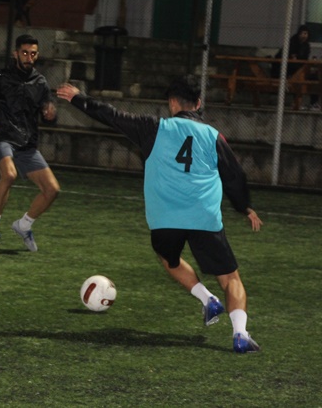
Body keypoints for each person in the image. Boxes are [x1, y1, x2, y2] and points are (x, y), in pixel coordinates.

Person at [56, 76, 264, 354]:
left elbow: (111, 115)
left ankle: (207, 299)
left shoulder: (153, 128)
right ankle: (240, 334)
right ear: (198, 104)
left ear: (172, 103)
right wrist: (244, 206)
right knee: (230, 279)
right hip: (203, 218)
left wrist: (77, 98)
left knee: (170, 259)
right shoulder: (213, 136)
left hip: (165, 218)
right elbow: (234, 175)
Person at [0, 34, 59, 252]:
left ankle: (24, 225)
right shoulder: (0, 78)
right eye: (25, 53)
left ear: (37, 55)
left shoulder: (40, 82)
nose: (29, 57)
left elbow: (48, 110)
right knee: (9, 175)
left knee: (52, 190)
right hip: (3, 138)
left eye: (33, 54)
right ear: (15, 53)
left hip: (27, 145)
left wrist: (50, 113)